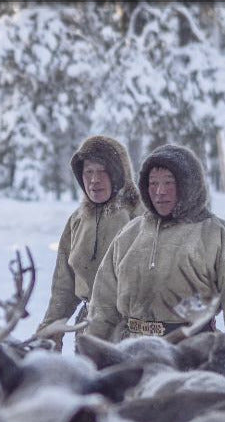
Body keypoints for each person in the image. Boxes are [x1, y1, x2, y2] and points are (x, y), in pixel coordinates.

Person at [86, 143, 225, 343]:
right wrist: (94, 350)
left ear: (188, 185)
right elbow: (103, 305)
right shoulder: (129, 234)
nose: (159, 191)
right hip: (132, 352)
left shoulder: (220, 236)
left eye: (169, 183)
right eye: (153, 183)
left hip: (193, 353)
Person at [36, 135, 144, 349]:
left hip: (133, 330)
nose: (94, 180)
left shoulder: (141, 217)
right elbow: (64, 287)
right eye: (88, 172)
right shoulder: (77, 221)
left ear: (118, 173)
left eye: (102, 171)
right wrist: (50, 329)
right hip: (88, 328)